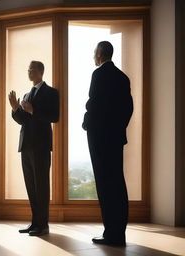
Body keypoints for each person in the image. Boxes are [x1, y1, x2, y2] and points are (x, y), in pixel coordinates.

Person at [82, 41, 133, 246]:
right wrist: (118, 128)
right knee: (118, 183)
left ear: (101, 53)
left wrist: (87, 123)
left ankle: (110, 233)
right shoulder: (123, 77)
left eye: (95, 52)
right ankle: (118, 233)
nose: (94, 56)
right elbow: (128, 108)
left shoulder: (99, 74)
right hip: (115, 138)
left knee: (104, 185)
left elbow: (93, 103)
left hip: (100, 138)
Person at [8, 60, 59, 236]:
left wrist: (33, 111)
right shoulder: (26, 95)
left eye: (31, 69)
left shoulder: (51, 93)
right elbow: (23, 120)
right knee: (31, 186)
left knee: (41, 186)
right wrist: (15, 108)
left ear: (40, 72)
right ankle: (34, 223)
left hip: (41, 146)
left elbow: (55, 116)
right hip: (26, 146)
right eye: (28, 69)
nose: (28, 71)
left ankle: (43, 225)